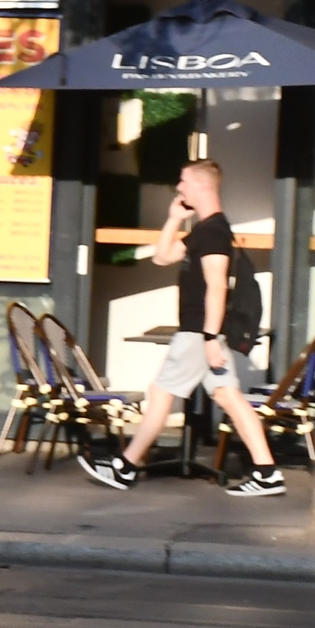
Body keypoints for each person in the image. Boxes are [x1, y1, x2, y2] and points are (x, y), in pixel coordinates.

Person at [78, 159, 284, 497]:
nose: (179, 187)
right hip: (202, 334)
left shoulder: (215, 232)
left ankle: (125, 466)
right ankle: (267, 472)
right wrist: (174, 217)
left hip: (196, 333)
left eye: (183, 181)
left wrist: (208, 338)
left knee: (161, 393)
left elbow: (217, 286)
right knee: (229, 397)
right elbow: (162, 256)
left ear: (202, 186)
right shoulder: (204, 230)